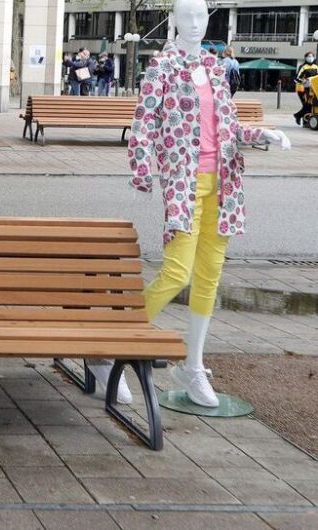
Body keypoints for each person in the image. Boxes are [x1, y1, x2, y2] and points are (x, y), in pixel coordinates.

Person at [127, 0, 290, 408]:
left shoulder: (215, 67)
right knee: (176, 272)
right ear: (174, 20)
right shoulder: (162, 67)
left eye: (201, 16)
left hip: (224, 184)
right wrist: (142, 167)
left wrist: (263, 134)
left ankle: (193, 366)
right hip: (184, 183)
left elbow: (227, 127)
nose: (195, 23)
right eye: (187, 16)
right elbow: (143, 122)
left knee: (208, 276)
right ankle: (111, 344)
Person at [293, 52, 318, 125]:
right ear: (305, 58)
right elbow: (296, 78)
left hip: (314, 89)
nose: (310, 58)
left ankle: (302, 119)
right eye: (308, 56)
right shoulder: (303, 67)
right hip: (304, 88)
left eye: (312, 56)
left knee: (311, 105)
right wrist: (305, 81)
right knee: (307, 105)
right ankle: (301, 118)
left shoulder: (316, 66)